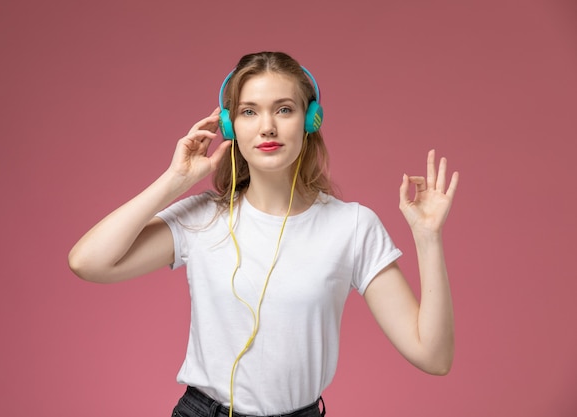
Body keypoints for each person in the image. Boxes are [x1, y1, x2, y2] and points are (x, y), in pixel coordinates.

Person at [68, 51, 459, 417]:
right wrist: (175, 181)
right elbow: (88, 262)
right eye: (249, 111)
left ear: (311, 120)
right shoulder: (203, 217)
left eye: (284, 110)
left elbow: (433, 357)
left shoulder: (352, 226)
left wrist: (428, 239)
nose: (267, 126)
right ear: (229, 126)